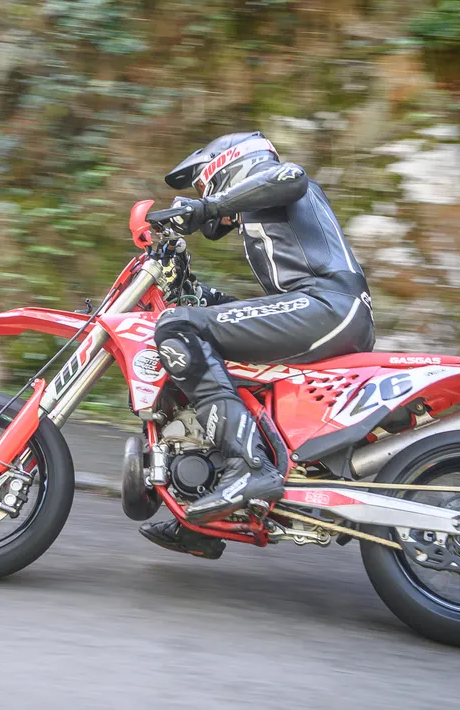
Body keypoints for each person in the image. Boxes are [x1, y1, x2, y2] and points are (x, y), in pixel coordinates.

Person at [141, 131, 375, 559]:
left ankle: (249, 466)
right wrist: (199, 295)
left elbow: (290, 176)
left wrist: (208, 207)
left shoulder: (277, 178)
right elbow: (261, 312)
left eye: (204, 186)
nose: (205, 198)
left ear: (228, 167)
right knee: (198, 350)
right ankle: (208, 514)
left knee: (177, 328)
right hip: (320, 308)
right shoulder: (268, 217)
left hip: (329, 306)